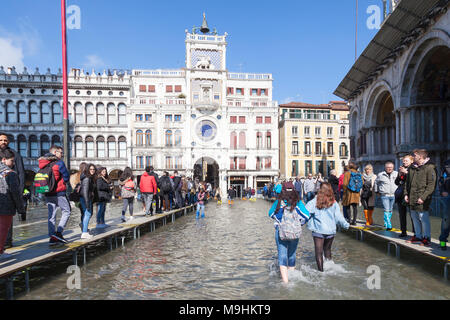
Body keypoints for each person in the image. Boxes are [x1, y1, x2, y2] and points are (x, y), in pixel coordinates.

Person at [268, 181, 310, 283]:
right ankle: (292, 276)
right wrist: (299, 224)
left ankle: (285, 282)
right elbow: (306, 216)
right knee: (292, 254)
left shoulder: (279, 202)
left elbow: (270, 214)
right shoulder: (298, 202)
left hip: (281, 232)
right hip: (294, 232)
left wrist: (280, 219)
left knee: (282, 255)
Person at [306, 183, 349, 272]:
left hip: (318, 230)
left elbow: (305, 212)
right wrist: (346, 225)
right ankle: (331, 269)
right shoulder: (334, 202)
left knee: (318, 253)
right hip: (331, 231)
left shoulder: (315, 201)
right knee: (327, 250)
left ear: (320, 190)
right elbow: (338, 217)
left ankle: (321, 272)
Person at [38, 146, 71, 244]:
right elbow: (66, 176)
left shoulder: (43, 163)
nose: (62, 155)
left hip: (48, 192)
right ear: (55, 152)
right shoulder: (59, 163)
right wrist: (63, 182)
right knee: (67, 211)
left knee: (51, 215)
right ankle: (58, 233)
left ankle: (52, 237)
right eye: (61, 153)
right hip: (59, 192)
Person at [404, 149, 437, 246]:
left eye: (415, 155)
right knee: (414, 217)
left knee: (423, 218)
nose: (413, 157)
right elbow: (407, 182)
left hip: (422, 197)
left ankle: (426, 238)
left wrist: (423, 197)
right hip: (412, 196)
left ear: (421, 157)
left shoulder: (430, 167)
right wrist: (406, 194)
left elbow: (431, 185)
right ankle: (418, 236)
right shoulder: (412, 168)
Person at [0, 133, 25, 250]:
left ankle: (7, 242)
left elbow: (21, 172)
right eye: (1, 140)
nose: (3, 142)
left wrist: (20, 191)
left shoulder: (15, 155)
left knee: (7, 223)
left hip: (10, 192)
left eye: (5, 140)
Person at [395, 156, 415, 238]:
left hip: (410, 194)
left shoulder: (414, 169)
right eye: (403, 161)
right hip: (401, 195)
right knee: (402, 214)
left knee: (413, 215)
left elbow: (414, 180)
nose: (404, 162)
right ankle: (403, 231)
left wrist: (406, 173)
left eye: (406, 161)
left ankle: (416, 233)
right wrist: (400, 175)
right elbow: (396, 182)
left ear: (411, 161)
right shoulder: (401, 169)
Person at [375, 161, 398, 231]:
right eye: (388, 167)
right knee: (386, 209)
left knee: (390, 210)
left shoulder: (396, 174)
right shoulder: (380, 174)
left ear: (393, 167)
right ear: (385, 168)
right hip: (384, 195)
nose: (389, 169)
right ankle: (389, 225)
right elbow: (376, 183)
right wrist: (377, 191)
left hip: (393, 195)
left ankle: (386, 222)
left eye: (391, 167)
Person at [79, 164, 96, 239]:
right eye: (91, 169)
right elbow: (85, 191)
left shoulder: (89, 177)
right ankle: (84, 232)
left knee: (89, 213)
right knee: (88, 214)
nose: (92, 170)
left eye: (93, 169)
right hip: (85, 198)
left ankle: (83, 226)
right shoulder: (87, 178)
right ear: (88, 170)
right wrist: (87, 202)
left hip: (86, 198)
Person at [438, 159, 450, 250]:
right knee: (446, 222)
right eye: (447, 167)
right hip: (447, 199)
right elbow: (440, 185)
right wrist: (443, 191)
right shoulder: (443, 174)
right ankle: (442, 243)